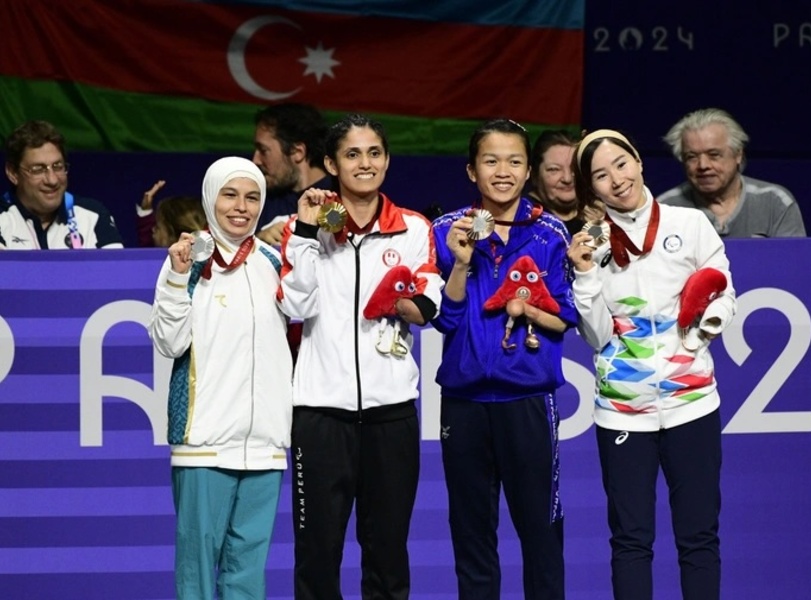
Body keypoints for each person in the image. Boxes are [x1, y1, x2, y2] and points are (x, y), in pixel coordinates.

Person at [278, 113, 443, 600]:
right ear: (330, 163)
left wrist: (403, 301)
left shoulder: (412, 228)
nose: (365, 163)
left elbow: (427, 304)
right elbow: (296, 304)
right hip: (320, 414)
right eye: (352, 154)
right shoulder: (302, 228)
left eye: (374, 153)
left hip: (390, 414)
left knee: (387, 553)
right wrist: (309, 232)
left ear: (387, 161)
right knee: (317, 553)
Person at [567, 129, 736, 600]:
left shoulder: (691, 223)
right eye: (600, 175)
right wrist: (584, 275)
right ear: (591, 188)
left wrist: (704, 332)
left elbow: (721, 287)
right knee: (631, 542)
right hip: (622, 413)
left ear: (639, 161)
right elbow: (597, 337)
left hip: (693, 406)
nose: (616, 180)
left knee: (699, 538)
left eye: (621, 164)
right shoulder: (591, 244)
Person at [430, 118, 577, 600]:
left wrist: (526, 306)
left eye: (514, 161)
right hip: (465, 403)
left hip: (528, 400)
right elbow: (444, 320)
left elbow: (566, 318)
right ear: (471, 170)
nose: (502, 171)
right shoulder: (445, 232)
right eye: (490, 161)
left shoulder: (551, 234)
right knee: (472, 537)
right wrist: (463, 263)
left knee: (541, 533)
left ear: (529, 169)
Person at [148, 157, 293, 599]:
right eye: (230, 194)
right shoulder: (188, 259)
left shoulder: (272, 260)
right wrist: (176, 276)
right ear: (211, 198)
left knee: (248, 570)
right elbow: (169, 342)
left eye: (252, 197)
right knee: (196, 570)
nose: (241, 207)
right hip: (204, 442)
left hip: (264, 445)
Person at [658, 107, 806, 238]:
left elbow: (794, 265)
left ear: (738, 155)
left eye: (714, 154)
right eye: (692, 157)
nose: (703, 165)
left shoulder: (774, 202)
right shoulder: (663, 210)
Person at [1, 120, 123, 249]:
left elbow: (117, 268)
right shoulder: (3, 218)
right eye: (38, 169)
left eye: (58, 167)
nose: (52, 180)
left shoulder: (93, 215)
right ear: (13, 173)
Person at [252, 102, 330, 245]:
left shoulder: (343, 199)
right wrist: (256, 245)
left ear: (297, 152)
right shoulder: (258, 201)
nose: (255, 160)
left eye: (263, 151)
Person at [528, 129, 583, 236]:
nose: (567, 179)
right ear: (534, 173)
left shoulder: (595, 216)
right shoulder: (522, 218)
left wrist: (598, 225)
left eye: (574, 168)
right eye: (554, 169)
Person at [136, 179, 206, 247]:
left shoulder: (162, 258)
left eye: (157, 227)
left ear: (173, 236)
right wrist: (145, 210)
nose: (152, 229)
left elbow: (149, 250)